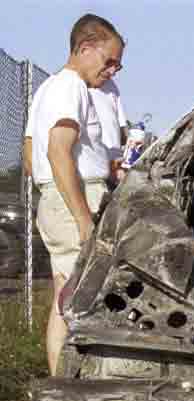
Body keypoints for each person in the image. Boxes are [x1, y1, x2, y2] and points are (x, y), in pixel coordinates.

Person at [26, 13, 124, 375]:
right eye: (109, 60)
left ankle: (63, 384)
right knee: (78, 301)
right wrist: (83, 217)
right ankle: (71, 389)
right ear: (85, 48)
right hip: (74, 201)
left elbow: (30, 153)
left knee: (65, 298)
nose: (113, 70)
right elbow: (57, 150)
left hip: (63, 198)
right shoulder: (69, 87)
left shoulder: (56, 88)